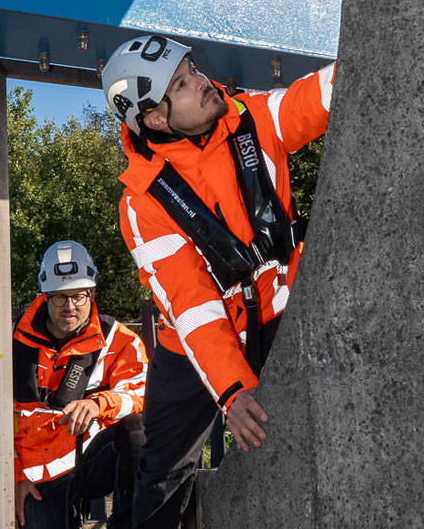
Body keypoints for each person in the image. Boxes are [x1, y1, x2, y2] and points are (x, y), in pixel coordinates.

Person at [101, 34, 334, 528]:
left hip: (278, 315)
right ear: (156, 119)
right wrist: (233, 391)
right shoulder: (142, 205)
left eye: (193, 70)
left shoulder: (255, 119)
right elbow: (193, 306)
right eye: (183, 84)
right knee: (163, 476)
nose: (204, 84)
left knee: (310, 440)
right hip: (192, 350)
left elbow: (316, 98)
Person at [0, 240, 148, 528]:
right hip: (36, 476)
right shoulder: (10, 346)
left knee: (138, 431)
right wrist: (14, 477)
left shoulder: (119, 340)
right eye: (60, 297)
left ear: (91, 293)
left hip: (90, 457)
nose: (69, 307)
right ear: (45, 296)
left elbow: (142, 392)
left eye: (78, 296)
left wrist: (98, 404)